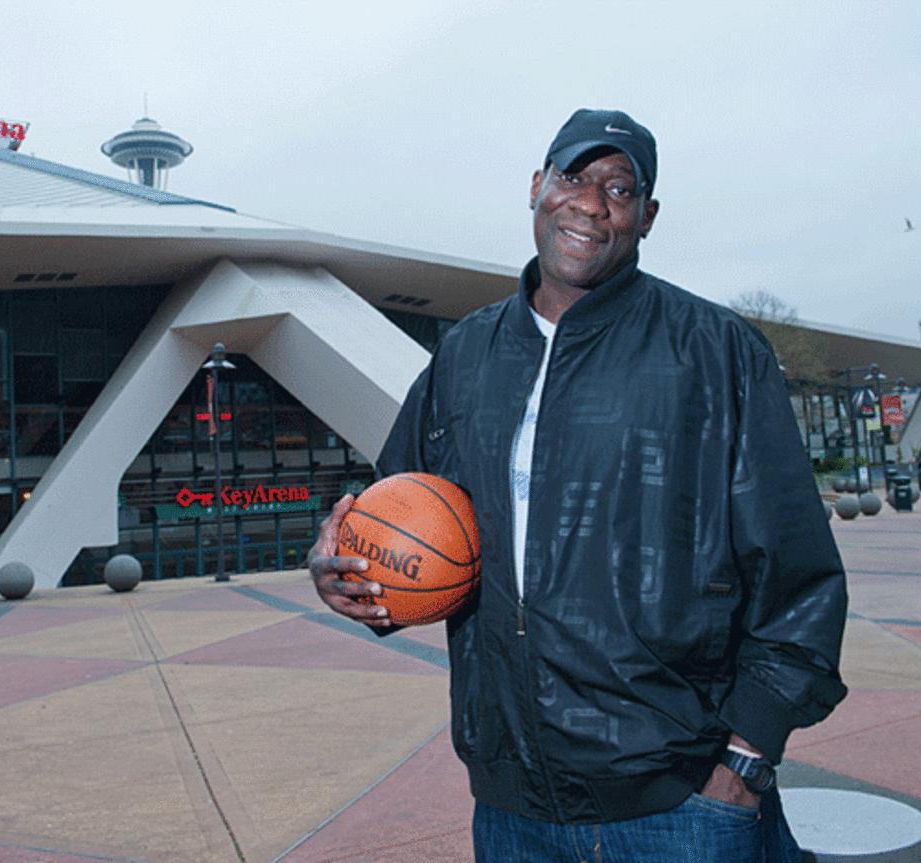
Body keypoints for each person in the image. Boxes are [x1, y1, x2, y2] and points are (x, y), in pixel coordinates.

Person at [309, 109, 848, 862]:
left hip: (682, 801)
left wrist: (745, 762)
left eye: (620, 188)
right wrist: (344, 576)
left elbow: (801, 579)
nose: (592, 203)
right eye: (574, 176)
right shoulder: (464, 355)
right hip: (511, 806)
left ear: (647, 216)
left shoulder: (715, 352)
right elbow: (395, 521)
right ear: (537, 187)